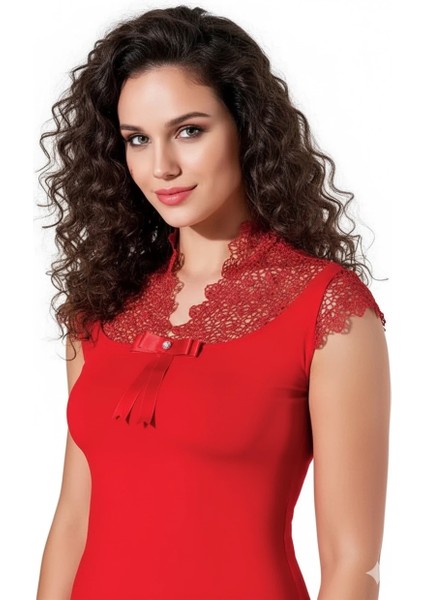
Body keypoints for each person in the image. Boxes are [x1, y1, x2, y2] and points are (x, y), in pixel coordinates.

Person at [36, 5, 390, 600]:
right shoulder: (100, 308)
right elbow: (74, 519)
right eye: (137, 139)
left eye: (189, 131)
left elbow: (354, 561)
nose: (162, 166)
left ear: (246, 127)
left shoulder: (329, 310)